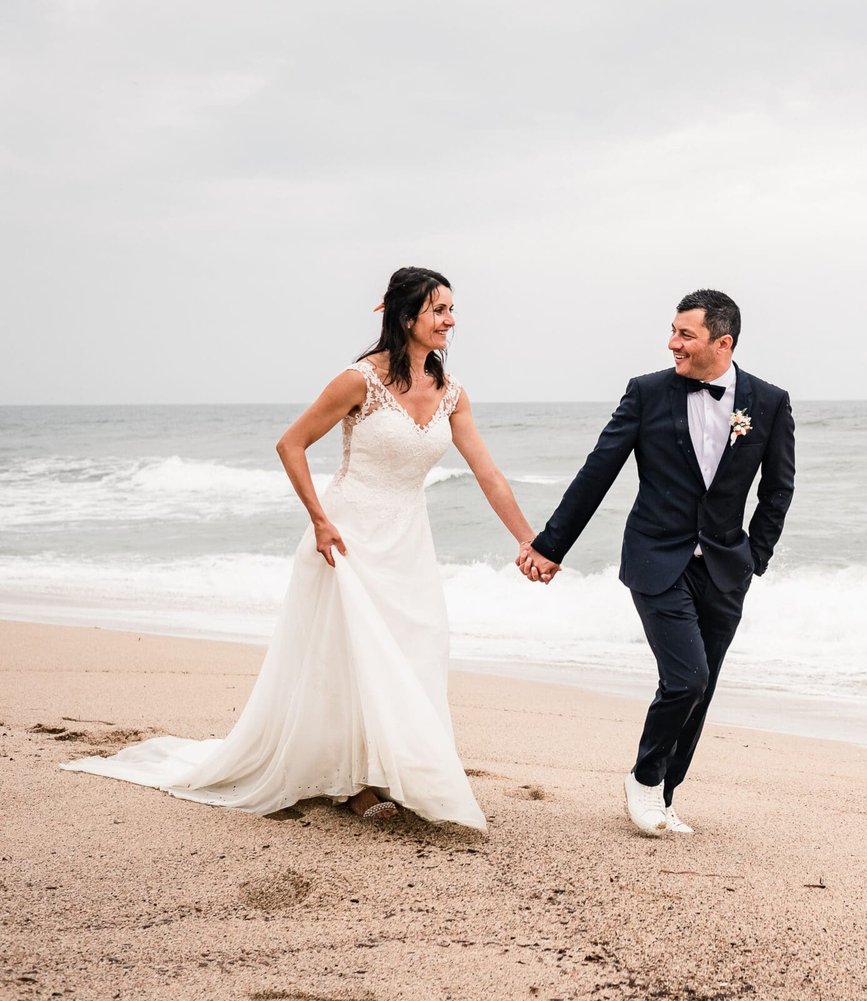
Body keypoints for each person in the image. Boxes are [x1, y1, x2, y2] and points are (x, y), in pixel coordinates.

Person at [64, 267, 540, 831]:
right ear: (405, 315)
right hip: (347, 539)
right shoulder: (358, 381)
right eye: (438, 310)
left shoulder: (451, 393)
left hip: (409, 543)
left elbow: (488, 474)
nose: (450, 321)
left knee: (418, 649)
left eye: (451, 310)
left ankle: (399, 772)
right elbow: (290, 444)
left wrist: (528, 538)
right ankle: (357, 784)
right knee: (347, 660)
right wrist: (319, 520)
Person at [521, 289, 796, 836]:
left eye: (685, 334)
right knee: (687, 678)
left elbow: (778, 488)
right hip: (656, 558)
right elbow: (598, 470)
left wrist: (753, 558)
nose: (672, 343)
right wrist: (551, 545)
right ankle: (644, 780)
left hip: (724, 568)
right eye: (673, 331)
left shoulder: (769, 401)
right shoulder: (646, 393)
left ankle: (665, 796)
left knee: (702, 687)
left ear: (723, 342)